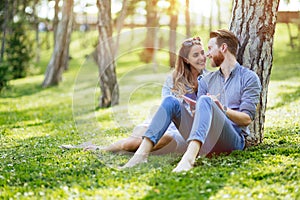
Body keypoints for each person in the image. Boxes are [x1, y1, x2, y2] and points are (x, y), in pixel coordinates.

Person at [121, 29, 261, 172]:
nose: (207, 54)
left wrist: (221, 108)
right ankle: (140, 155)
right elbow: (200, 117)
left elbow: (246, 119)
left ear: (223, 48)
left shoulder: (248, 78)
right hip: (206, 141)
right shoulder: (207, 80)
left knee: (206, 100)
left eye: (210, 48)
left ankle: (188, 159)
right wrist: (192, 108)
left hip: (232, 141)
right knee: (170, 101)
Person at [60, 36, 207, 155]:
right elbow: (166, 107)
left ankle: (100, 149)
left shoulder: (208, 79)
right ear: (186, 60)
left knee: (137, 144)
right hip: (162, 123)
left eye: (202, 53)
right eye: (196, 55)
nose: (202, 57)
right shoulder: (173, 79)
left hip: (180, 132)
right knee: (134, 139)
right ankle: (99, 147)